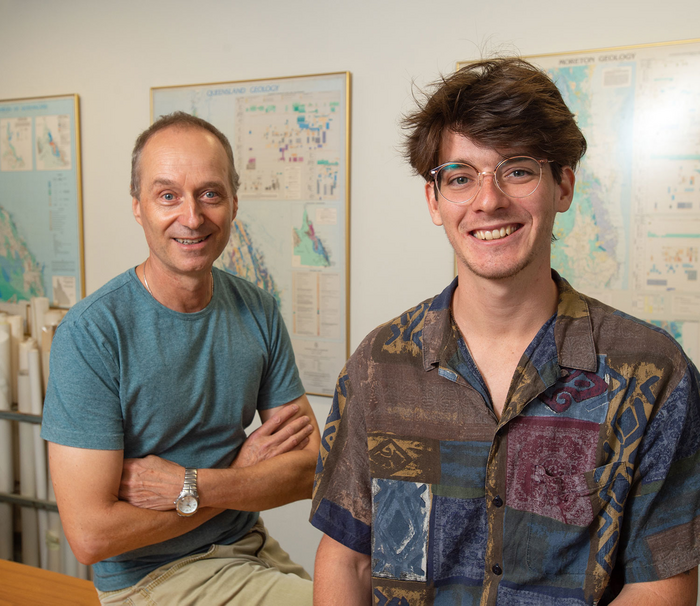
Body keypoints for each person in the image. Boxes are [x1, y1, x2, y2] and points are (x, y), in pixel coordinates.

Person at [310, 58, 700, 605]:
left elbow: (663, 587)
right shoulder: (380, 363)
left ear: (563, 185)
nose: (488, 201)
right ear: (434, 200)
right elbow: (347, 561)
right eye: (461, 177)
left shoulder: (652, 372)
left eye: (517, 170)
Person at [41, 112, 320, 605]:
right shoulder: (92, 334)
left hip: (247, 547)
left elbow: (307, 471)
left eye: (209, 194)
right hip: (152, 579)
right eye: (167, 195)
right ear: (138, 207)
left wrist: (190, 484)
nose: (192, 217)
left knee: (382, 592)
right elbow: (91, 537)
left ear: (234, 202)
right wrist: (234, 477)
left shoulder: (257, 308)